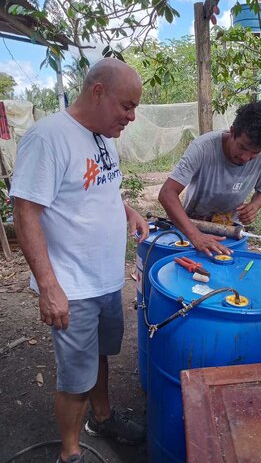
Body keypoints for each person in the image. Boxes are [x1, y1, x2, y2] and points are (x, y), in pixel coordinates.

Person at [10, 59, 149, 463]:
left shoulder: (104, 135)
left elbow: (99, 188)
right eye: (127, 105)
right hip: (73, 286)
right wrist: (49, 287)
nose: (131, 116)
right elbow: (26, 213)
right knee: (75, 376)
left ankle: (102, 418)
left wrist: (128, 211)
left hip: (106, 280)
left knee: (101, 355)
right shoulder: (48, 137)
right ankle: (71, 454)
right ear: (98, 92)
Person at [158, 101, 261, 256]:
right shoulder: (202, 148)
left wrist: (254, 205)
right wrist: (195, 235)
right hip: (193, 225)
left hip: (230, 229)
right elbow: (167, 193)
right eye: (242, 147)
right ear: (232, 132)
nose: (245, 157)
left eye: (254, 153)